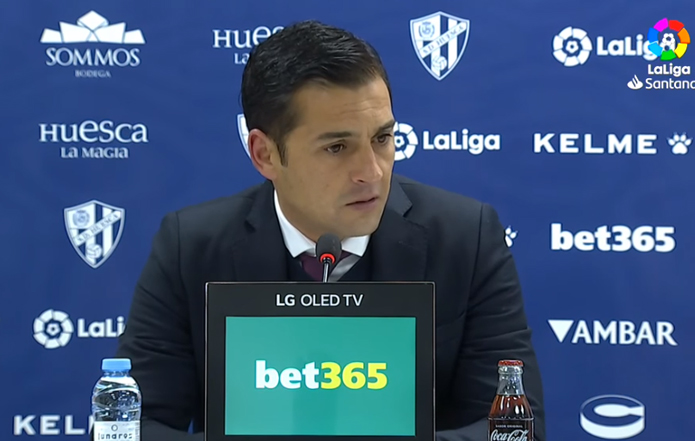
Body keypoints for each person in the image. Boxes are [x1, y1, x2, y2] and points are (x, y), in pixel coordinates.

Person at [115, 20, 546, 441]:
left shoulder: (465, 238)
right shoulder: (190, 247)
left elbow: (514, 430)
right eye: (337, 147)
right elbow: (127, 427)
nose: (371, 172)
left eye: (382, 139)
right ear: (265, 155)